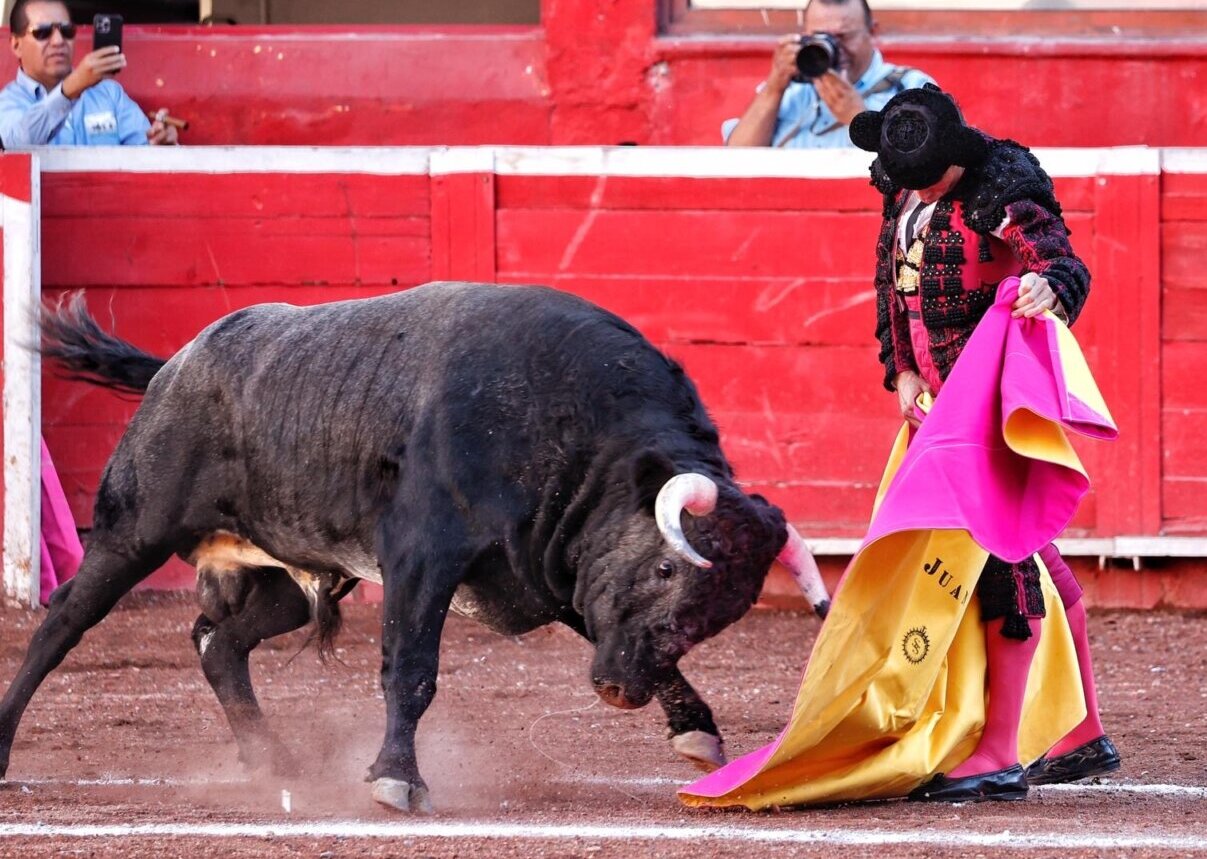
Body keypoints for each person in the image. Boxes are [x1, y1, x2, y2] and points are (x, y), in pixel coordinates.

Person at [848, 83, 1119, 801]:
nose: (911, 188)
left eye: (926, 178)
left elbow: (1061, 262)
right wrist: (900, 367)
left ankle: (998, 751)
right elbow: (890, 284)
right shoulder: (901, 178)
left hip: (989, 408)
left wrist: (1047, 290)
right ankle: (1081, 733)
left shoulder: (999, 184)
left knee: (1004, 566)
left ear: (955, 160)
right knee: (1026, 555)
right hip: (934, 408)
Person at [723, 0, 933, 149]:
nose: (834, 48)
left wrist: (859, 118)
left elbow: (931, 166)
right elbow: (737, 158)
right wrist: (775, 86)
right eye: (821, 37)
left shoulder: (910, 87)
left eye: (844, 36)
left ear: (872, 32)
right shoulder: (789, 90)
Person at [0, 0, 178, 147]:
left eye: (66, 30)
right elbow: (16, 144)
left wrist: (162, 145)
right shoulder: (7, 102)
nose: (58, 41)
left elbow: (144, 156)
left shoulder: (109, 93)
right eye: (42, 32)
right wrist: (71, 89)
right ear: (16, 45)